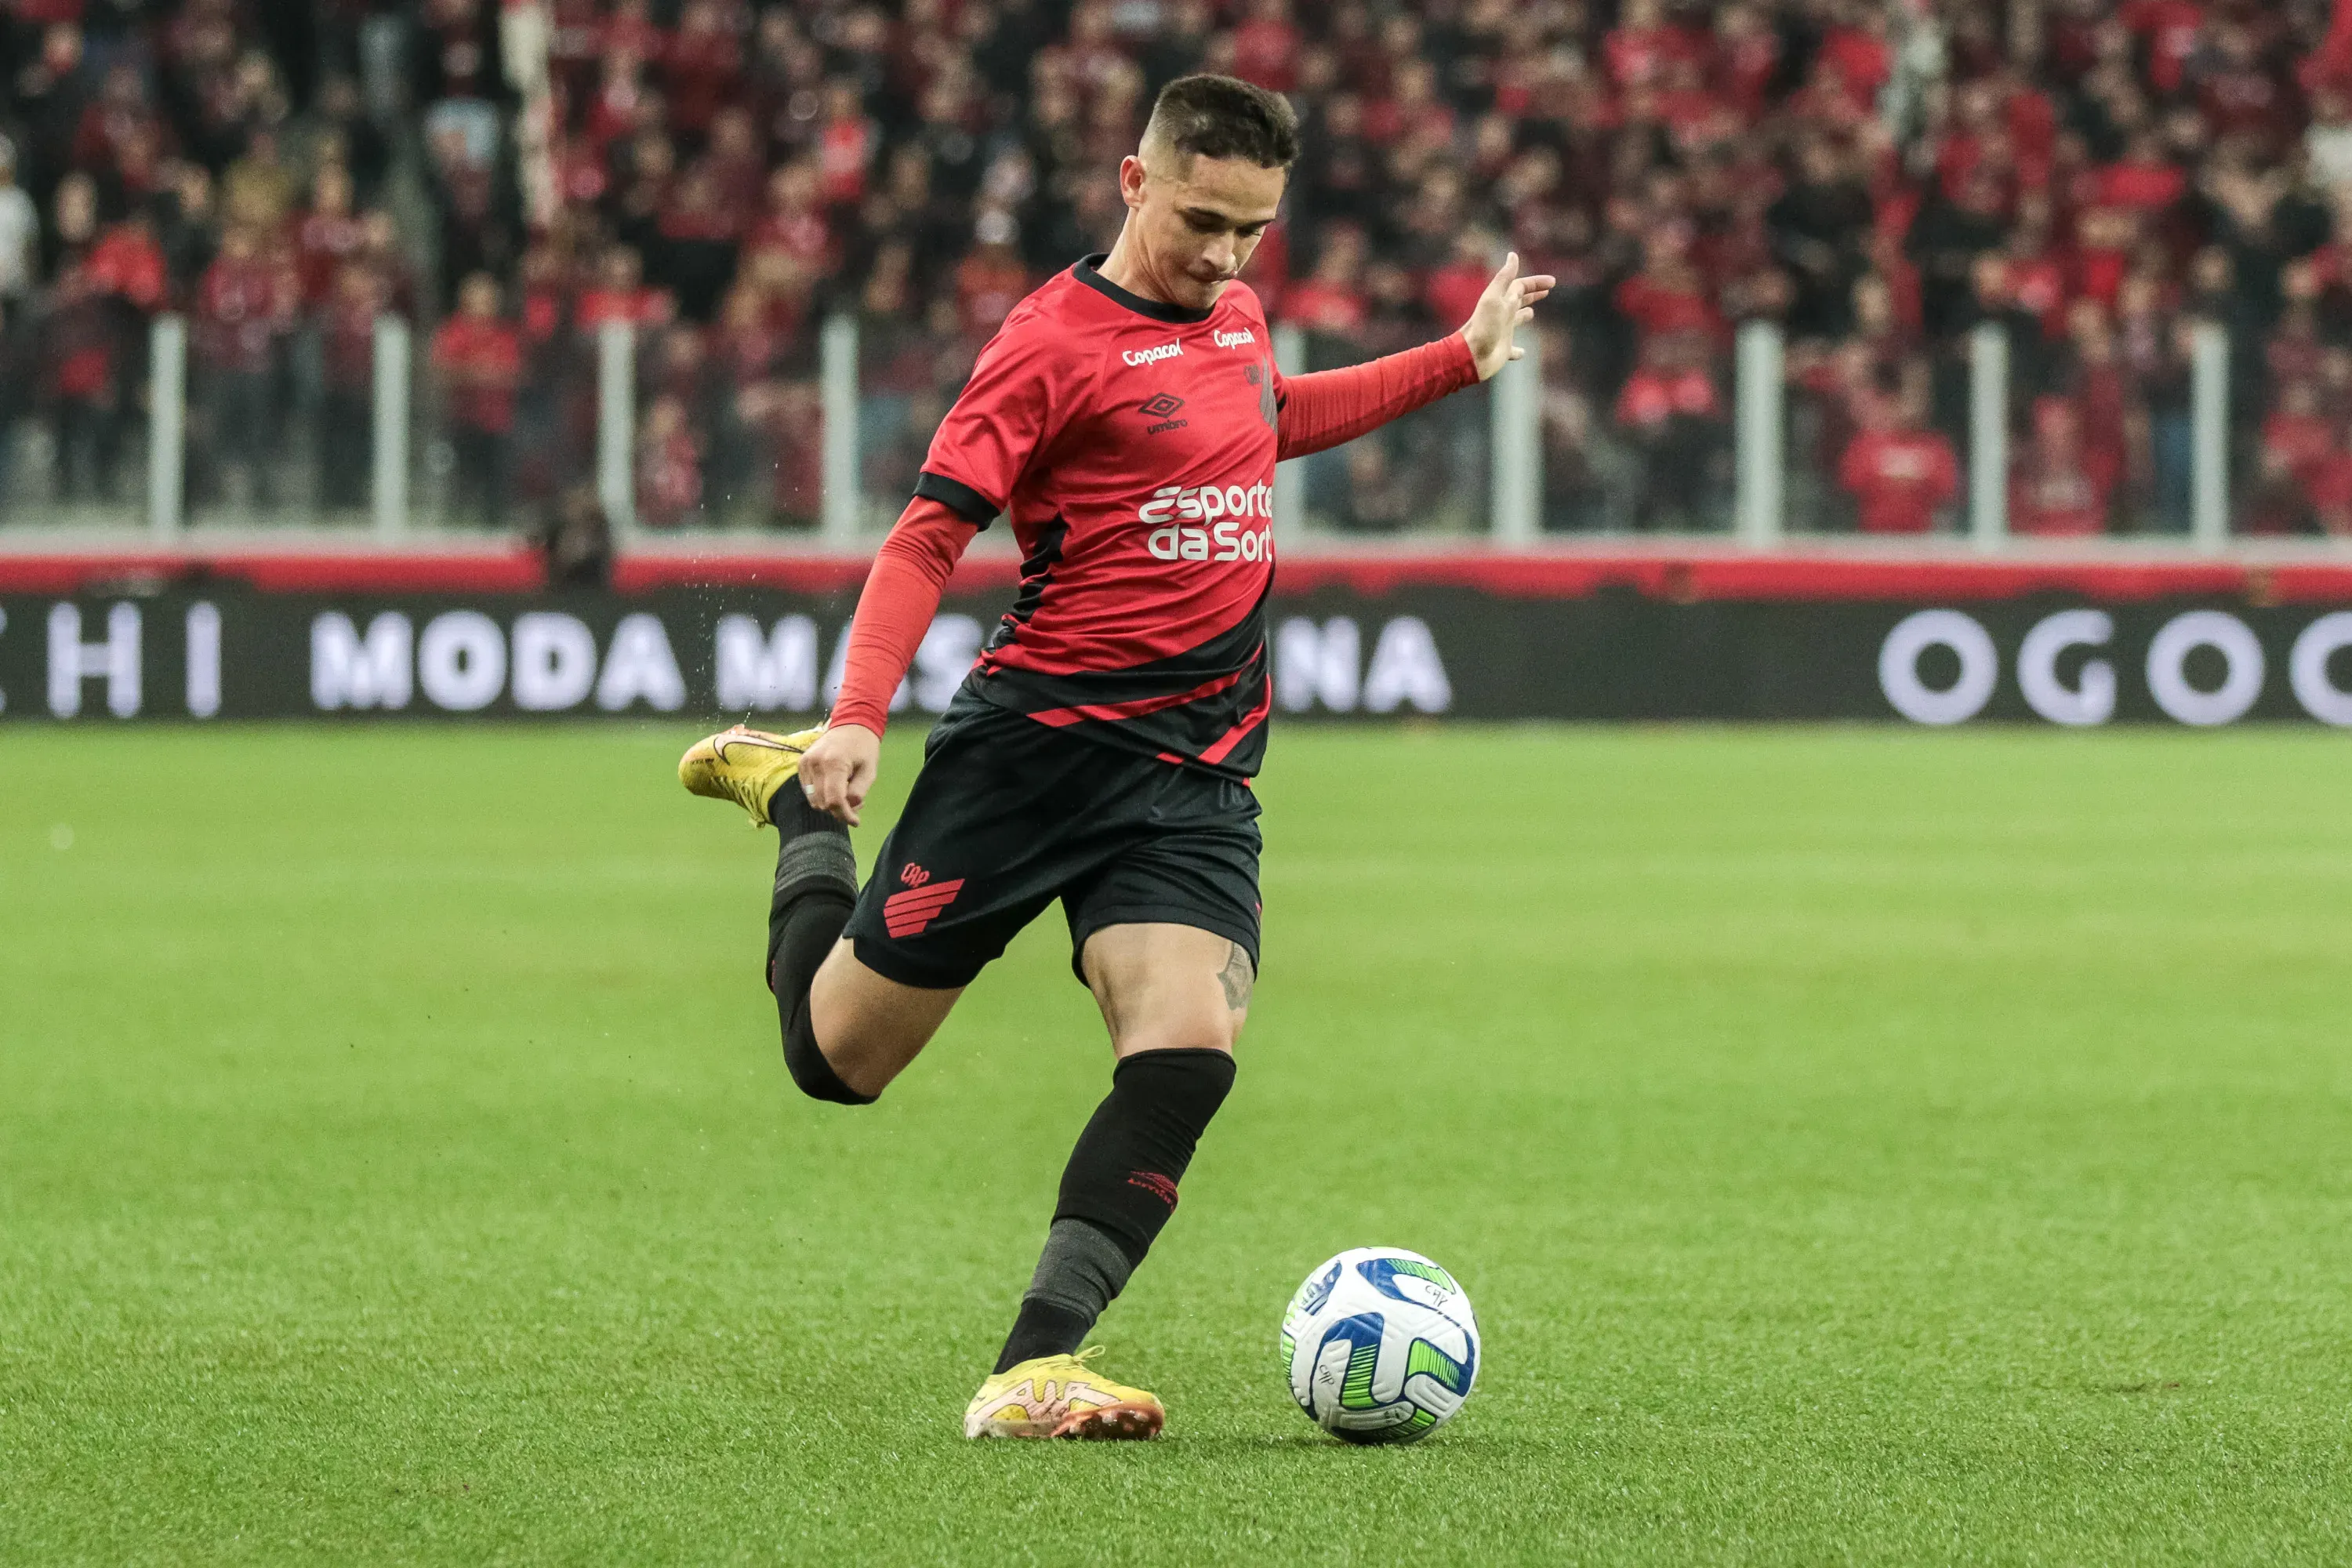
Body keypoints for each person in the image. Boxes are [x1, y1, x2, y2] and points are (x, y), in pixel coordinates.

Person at [675, 74, 1549, 1441]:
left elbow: (1269, 419)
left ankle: (1037, 1365)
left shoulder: (1239, 314)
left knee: (1189, 1049)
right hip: (1032, 758)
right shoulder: (1047, 343)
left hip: (1194, 773)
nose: (1223, 256)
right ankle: (793, 800)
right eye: (1203, 220)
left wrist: (1458, 357)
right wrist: (856, 717)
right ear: (1135, 183)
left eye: (1252, 231)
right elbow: (925, 536)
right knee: (834, 1063)